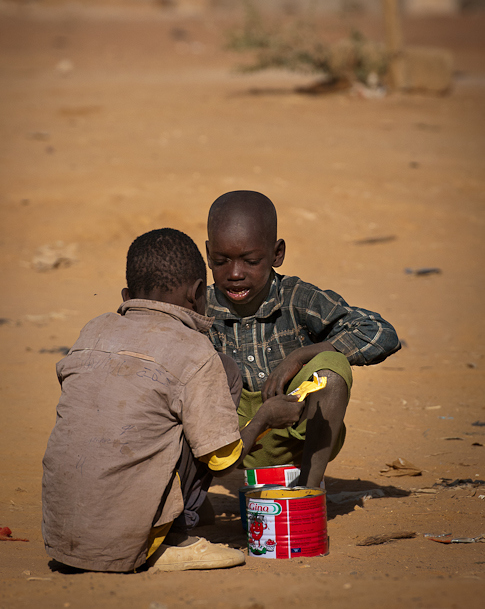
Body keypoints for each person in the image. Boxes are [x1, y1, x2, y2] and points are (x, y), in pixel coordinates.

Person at [42, 228, 303, 573]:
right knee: (225, 373)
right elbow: (223, 459)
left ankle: (171, 513)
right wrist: (265, 417)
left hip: (62, 535)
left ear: (126, 294)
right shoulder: (196, 352)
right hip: (127, 541)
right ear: (197, 294)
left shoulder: (94, 330)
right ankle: (173, 538)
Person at [205, 191, 401, 488]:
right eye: (221, 261)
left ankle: (308, 490)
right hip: (230, 444)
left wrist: (300, 356)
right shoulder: (199, 309)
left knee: (331, 367)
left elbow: (379, 332)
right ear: (208, 255)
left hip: (297, 438)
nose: (235, 273)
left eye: (251, 261)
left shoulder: (297, 298)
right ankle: (190, 503)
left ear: (277, 254)